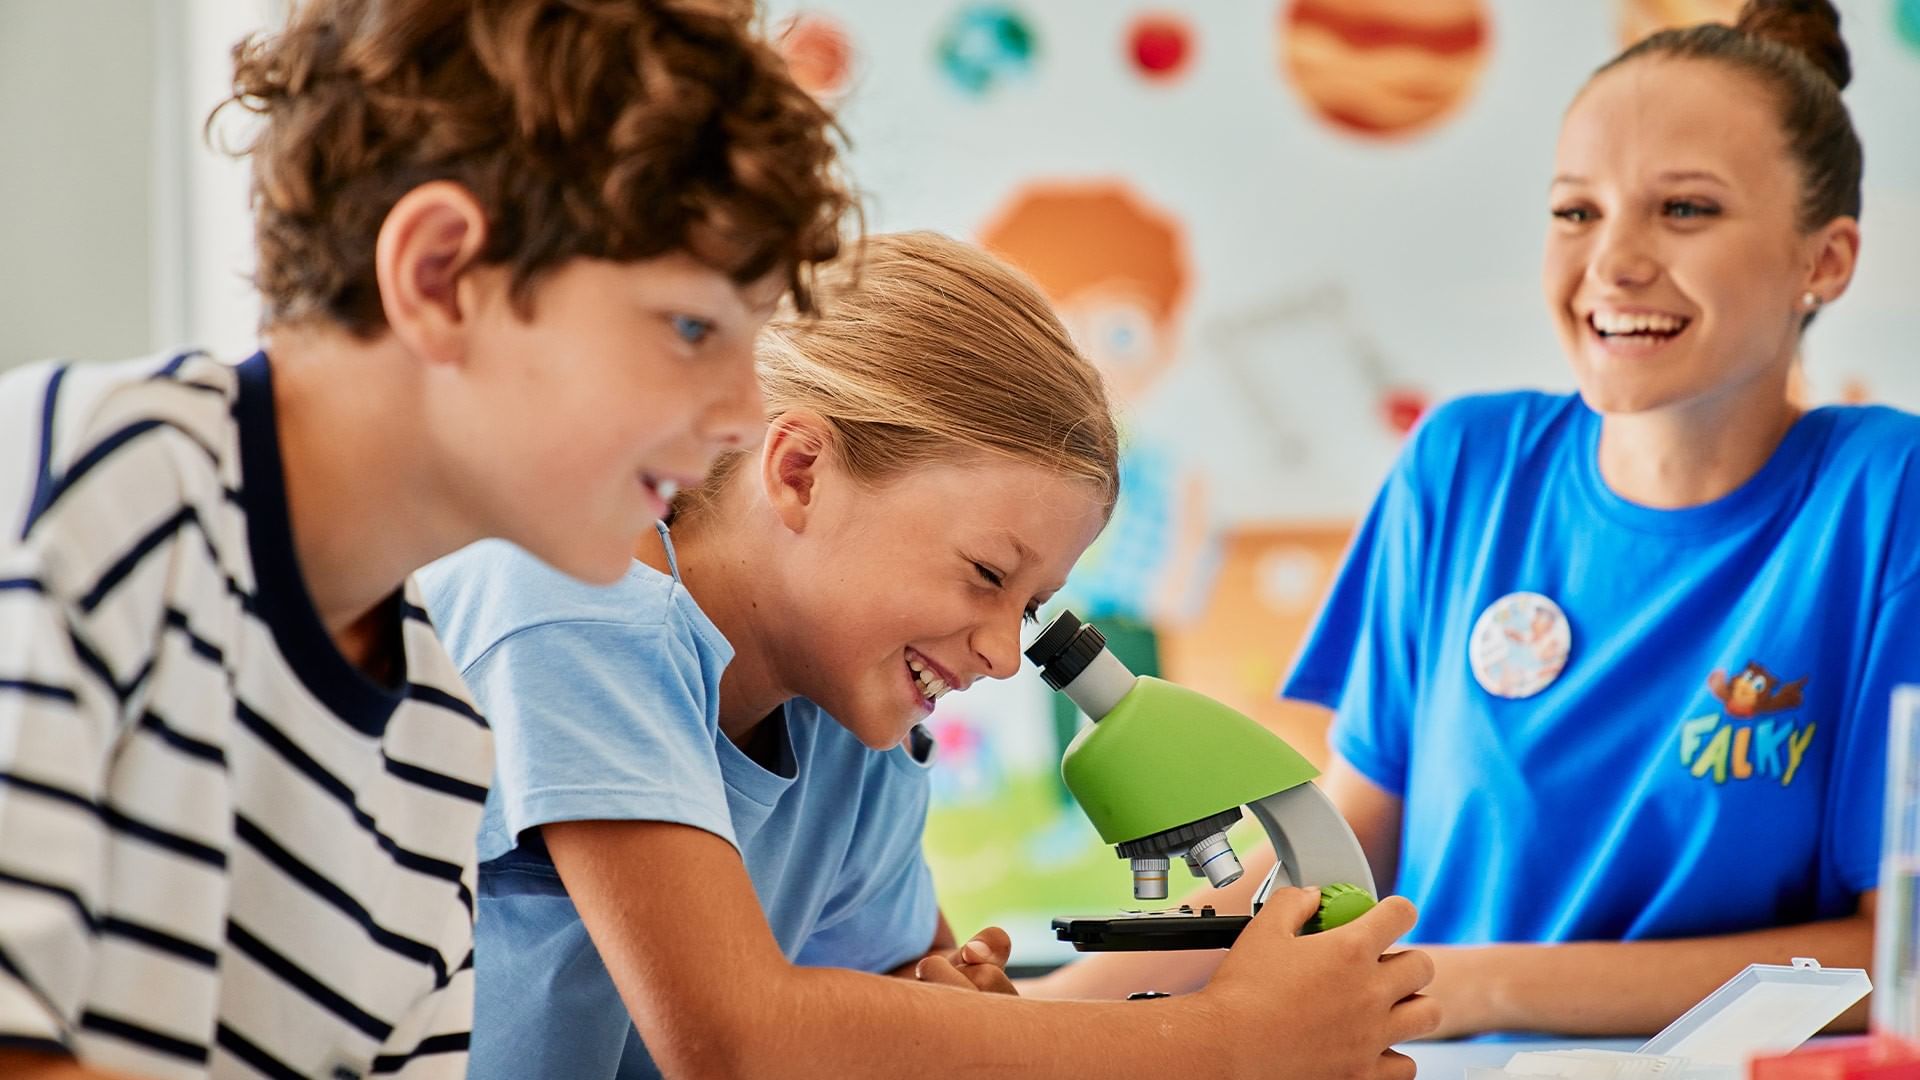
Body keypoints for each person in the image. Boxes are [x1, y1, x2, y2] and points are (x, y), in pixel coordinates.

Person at [1033, 0, 1916, 1039]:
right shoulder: (1464, 464)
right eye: (1577, 211)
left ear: (1826, 260)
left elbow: (1893, 952)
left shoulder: (1885, 498)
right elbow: (1343, 844)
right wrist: (1040, 1016)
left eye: (1685, 210)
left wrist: (1476, 988)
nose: (1614, 262)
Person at [0, 1, 850, 1076]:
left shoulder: (443, 731)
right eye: (691, 327)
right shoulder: (88, 474)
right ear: (442, 274)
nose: (742, 410)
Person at [421, 232, 1438, 1080]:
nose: (1003, 655)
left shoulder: (856, 725)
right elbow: (736, 1039)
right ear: (802, 470)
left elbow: (892, 1003)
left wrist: (946, 1006)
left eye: (1031, 605)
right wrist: (1225, 1043)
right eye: (987, 576)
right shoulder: (570, 603)